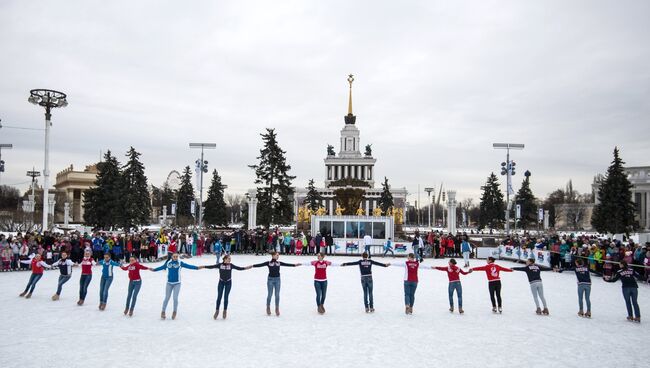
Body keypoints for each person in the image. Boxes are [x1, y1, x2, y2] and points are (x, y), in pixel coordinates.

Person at [151, 253, 201, 320]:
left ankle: (174, 311)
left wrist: (197, 268)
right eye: (174, 256)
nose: (175, 257)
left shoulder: (180, 263)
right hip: (169, 283)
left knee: (175, 298)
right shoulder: (168, 263)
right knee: (167, 298)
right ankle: (163, 312)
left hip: (177, 283)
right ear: (172, 257)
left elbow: (189, 266)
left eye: (176, 256)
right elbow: (162, 267)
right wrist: (154, 270)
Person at [202, 255, 252, 319]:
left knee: (226, 297)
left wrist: (246, 268)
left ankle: (225, 311)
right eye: (228, 259)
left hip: (228, 283)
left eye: (230, 259)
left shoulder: (231, 265)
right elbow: (212, 266)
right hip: (221, 282)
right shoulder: (220, 265)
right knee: (219, 297)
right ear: (224, 259)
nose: (230, 260)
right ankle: (217, 310)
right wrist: (204, 266)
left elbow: (239, 268)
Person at [252, 252, 300, 316]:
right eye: (277, 255)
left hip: (277, 280)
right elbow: (260, 265)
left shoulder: (279, 263)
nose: (278, 256)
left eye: (278, 255)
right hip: (270, 280)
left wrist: (294, 265)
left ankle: (277, 308)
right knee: (270, 294)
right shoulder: (268, 263)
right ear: (273, 255)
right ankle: (268, 307)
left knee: (277, 295)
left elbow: (287, 264)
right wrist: (252, 266)